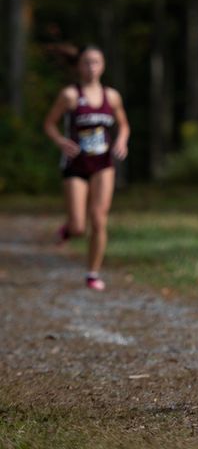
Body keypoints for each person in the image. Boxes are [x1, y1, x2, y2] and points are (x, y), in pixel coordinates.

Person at [43, 44, 130, 291]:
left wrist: (122, 140)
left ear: (103, 66)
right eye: (86, 62)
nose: (91, 67)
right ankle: (69, 228)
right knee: (80, 226)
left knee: (99, 219)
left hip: (103, 164)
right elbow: (49, 124)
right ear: (79, 66)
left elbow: (123, 124)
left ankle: (93, 273)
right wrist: (60, 141)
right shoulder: (70, 95)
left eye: (96, 62)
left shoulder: (111, 96)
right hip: (76, 165)